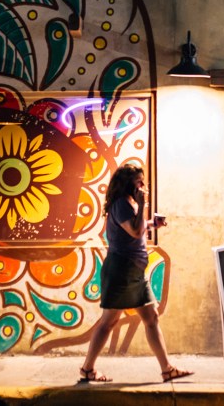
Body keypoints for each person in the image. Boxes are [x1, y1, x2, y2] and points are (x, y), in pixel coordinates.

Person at [78, 163, 194, 384]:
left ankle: (167, 369)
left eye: (143, 181)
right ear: (127, 184)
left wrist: (151, 223)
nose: (143, 186)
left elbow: (136, 228)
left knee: (151, 318)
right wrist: (143, 206)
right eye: (139, 182)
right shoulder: (122, 203)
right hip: (122, 270)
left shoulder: (127, 203)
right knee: (109, 322)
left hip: (134, 273)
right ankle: (87, 369)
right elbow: (135, 230)